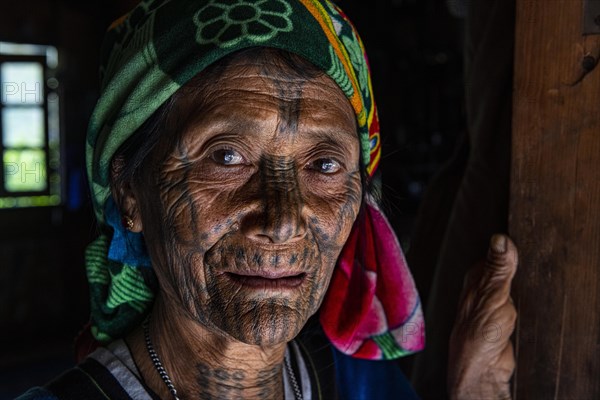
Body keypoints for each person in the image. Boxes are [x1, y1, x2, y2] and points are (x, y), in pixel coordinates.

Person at [16, 0, 517, 399]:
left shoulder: (359, 385)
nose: (281, 222)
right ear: (130, 192)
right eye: (227, 157)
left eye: (323, 165)